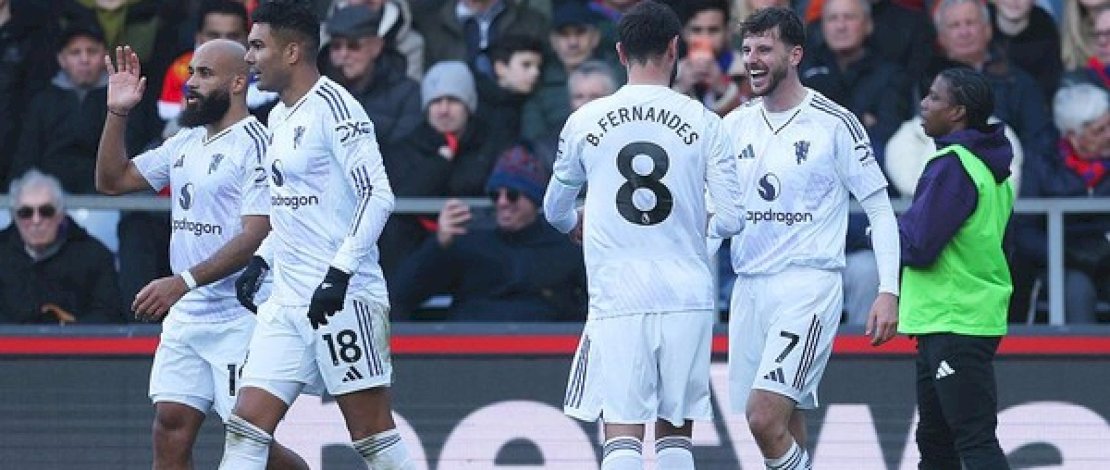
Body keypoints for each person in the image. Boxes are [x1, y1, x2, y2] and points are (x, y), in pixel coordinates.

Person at [544, 2, 746, 468]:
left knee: (622, 431)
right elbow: (732, 218)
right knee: (676, 436)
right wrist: (696, 231)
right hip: (687, 293)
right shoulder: (705, 121)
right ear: (675, 48)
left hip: (619, 294)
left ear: (619, 53)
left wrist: (576, 223)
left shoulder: (585, 121)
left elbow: (554, 207)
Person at [95, 39, 306, 469]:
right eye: (191, 72)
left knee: (249, 440)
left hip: (242, 313)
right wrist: (118, 112)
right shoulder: (184, 143)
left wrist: (182, 281)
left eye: (204, 74)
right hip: (189, 314)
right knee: (169, 424)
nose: (190, 83)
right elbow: (112, 180)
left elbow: (256, 233)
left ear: (238, 82)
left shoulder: (258, 146)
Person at [220, 1, 413, 468]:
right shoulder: (279, 117)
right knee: (245, 426)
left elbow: (378, 196)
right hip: (286, 300)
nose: (249, 57)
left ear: (291, 52)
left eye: (257, 46)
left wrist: (340, 273)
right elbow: (294, 204)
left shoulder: (337, 107)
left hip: (343, 299)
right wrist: (263, 258)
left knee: (371, 435)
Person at [721, 7, 900, 469]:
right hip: (748, 287)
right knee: (783, 421)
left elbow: (880, 208)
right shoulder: (733, 125)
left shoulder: (833, 123)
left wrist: (888, 289)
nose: (753, 60)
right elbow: (712, 215)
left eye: (764, 49)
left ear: (795, 53)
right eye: (746, 50)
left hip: (807, 286)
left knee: (762, 416)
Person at [898, 66, 1013, 469]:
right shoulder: (989, 166)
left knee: (973, 441)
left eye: (933, 98)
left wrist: (874, 233)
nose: (923, 105)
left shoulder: (953, 164)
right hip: (954, 317)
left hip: (954, 318)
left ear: (958, 111)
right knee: (936, 441)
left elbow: (917, 246)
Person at [392, 145, 587, 321]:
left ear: (533, 199)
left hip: (546, 350)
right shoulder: (468, 240)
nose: (502, 202)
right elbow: (402, 295)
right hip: (469, 350)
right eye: (495, 195)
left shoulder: (564, 247)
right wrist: (438, 245)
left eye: (512, 194)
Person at [1014, 83, 1110, 324]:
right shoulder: (1040, 160)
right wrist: (1067, 254)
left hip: (1106, 253)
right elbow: (1025, 232)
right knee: (1076, 289)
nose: (1109, 135)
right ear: (1072, 135)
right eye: (1100, 130)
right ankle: (1084, 361)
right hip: (1058, 261)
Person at [0, 169, 122, 324]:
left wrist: (70, 327)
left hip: (75, 345)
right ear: (14, 217)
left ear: (60, 214)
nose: (36, 220)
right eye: (26, 212)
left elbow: (109, 316)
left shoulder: (94, 255)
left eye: (46, 211)